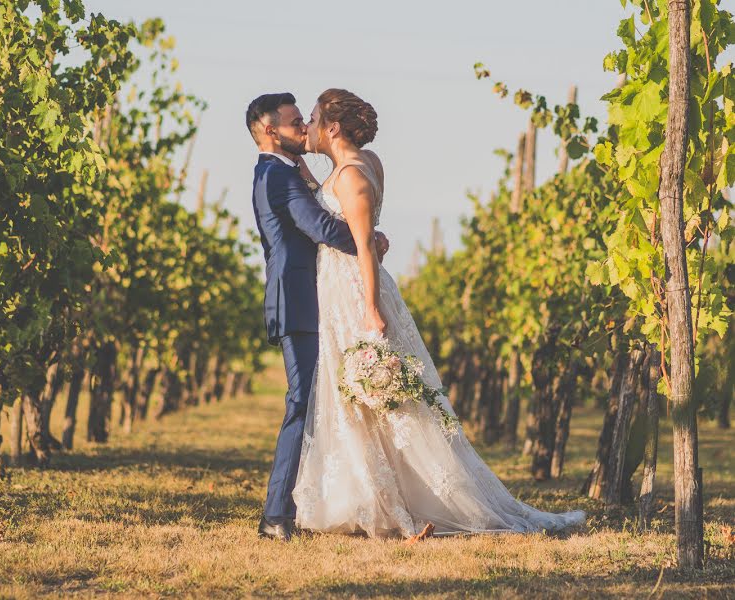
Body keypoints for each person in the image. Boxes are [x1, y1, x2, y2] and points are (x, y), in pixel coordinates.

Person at [292, 88, 585, 538]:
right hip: (342, 287)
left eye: (312, 119)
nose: (307, 127)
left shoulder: (351, 176)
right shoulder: (364, 165)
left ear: (332, 127)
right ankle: (367, 492)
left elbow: (366, 245)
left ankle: (395, 500)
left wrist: (369, 308)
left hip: (353, 290)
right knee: (357, 395)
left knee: (373, 396)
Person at [246, 92, 390, 541]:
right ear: (271, 131)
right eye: (294, 123)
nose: (303, 129)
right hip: (299, 302)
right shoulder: (274, 175)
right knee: (303, 403)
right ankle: (275, 516)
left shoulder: (289, 172)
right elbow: (322, 228)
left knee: (315, 404)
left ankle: (296, 508)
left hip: (315, 300)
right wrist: (370, 240)